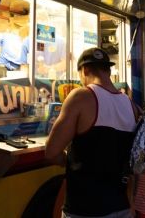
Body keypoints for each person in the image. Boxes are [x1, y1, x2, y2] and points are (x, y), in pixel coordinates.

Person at [45, 47, 137, 218]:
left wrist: (69, 161)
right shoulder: (130, 104)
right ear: (108, 70)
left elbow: (51, 152)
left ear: (85, 70)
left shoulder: (81, 97)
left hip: (86, 208)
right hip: (121, 206)